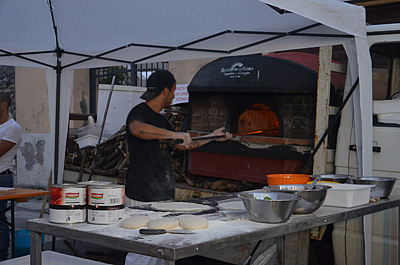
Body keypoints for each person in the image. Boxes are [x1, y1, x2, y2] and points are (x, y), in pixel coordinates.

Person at [124, 70, 231, 265]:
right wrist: (173, 135)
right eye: (173, 91)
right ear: (165, 91)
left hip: (163, 194)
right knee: (142, 250)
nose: (174, 96)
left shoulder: (162, 120)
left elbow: (183, 145)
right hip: (142, 193)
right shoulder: (139, 113)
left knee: (162, 248)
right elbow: (137, 129)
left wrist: (213, 136)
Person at [0, 93, 22, 261]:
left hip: (2, 178)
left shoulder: (13, 127)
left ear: (4, 105)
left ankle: (3, 257)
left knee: (1, 220)